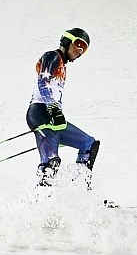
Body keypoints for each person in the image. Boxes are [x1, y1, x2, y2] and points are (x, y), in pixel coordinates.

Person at [26, 28, 100, 186]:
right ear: (67, 41)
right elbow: (43, 82)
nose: (79, 51)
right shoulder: (52, 56)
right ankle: (39, 202)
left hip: (53, 117)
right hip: (40, 113)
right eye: (78, 44)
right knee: (51, 162)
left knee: (89, 144)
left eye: (84, 49)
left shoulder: (63, 66)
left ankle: (79, 192)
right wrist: (53, 108)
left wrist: (55, 112)